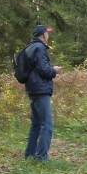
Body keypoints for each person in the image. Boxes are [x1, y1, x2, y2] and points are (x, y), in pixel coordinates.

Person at [23, 24, 61, 162]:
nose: (48, 36)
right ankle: (41, 156)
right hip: (40, 90)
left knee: (36, 124)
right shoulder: (39, 48)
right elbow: (43, 70)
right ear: (44, 35)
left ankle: (29, 154)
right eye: (47, 33)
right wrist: (54, 70)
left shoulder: (29, 47)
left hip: (32, 89)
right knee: (47, 124)